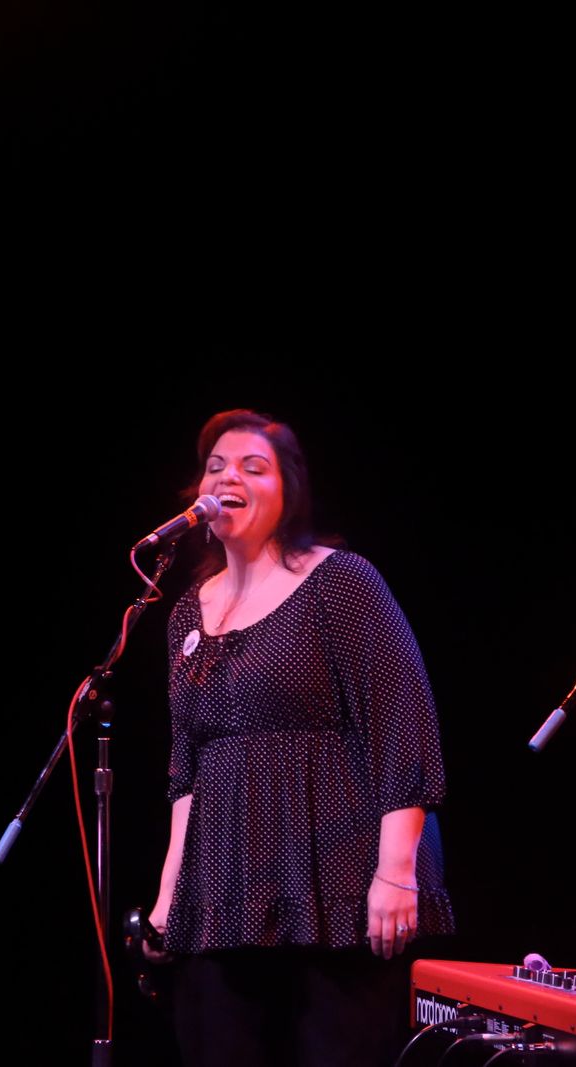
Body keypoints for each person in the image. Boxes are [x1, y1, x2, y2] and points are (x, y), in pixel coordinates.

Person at [144, 409, 453, 1067]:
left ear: (289, 491)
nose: (228, 478)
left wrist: (397, 872)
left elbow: (402, 722)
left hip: (335, 875)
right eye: (216, 467)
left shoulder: (340, 581)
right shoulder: (187, 613)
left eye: (253, 467)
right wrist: (170, 893)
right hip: (224, 885)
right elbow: (187, 767)